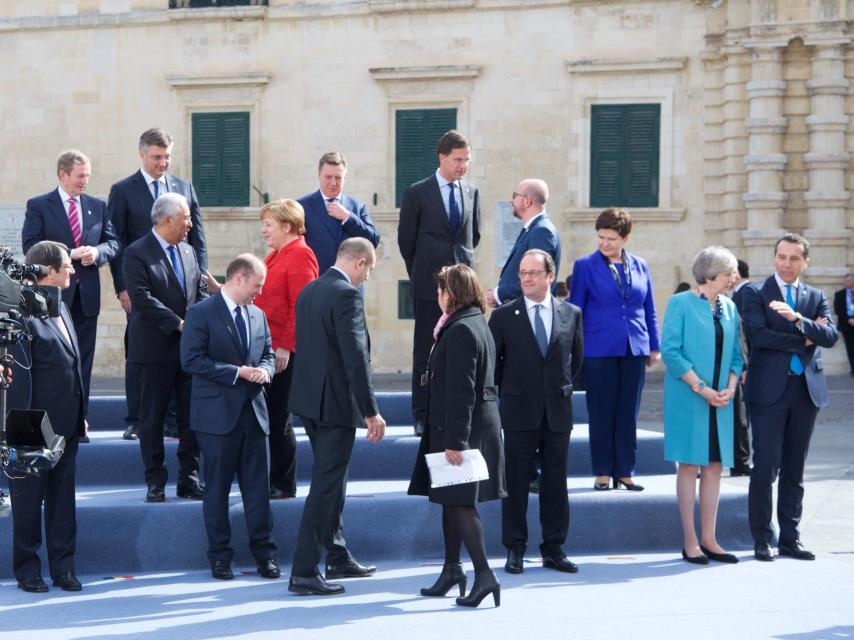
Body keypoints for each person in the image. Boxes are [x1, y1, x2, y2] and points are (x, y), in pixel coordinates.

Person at [287, 238, 387, 596]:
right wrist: (370, 410)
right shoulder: (346, 296)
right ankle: (303, 570)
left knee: (335, 481)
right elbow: (355, 357)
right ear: (360, 263)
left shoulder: (310, 291)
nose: (367, 279)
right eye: (370, 271)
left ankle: (338, 554)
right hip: (335, 407)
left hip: (311, 403)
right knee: (327, 485)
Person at [409, 264, 505, 608]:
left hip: (461, 432)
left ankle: (484, 576)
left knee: (462, 504)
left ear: (454, 293)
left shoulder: (462, 329)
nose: (438, 296)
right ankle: (453, 571)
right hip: (460, 428)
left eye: (441, 290)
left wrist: (456, 442)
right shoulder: (472, 322)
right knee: (451, 503)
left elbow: (463, 391)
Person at [181, 254, 279, 581]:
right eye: (256, 285)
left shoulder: (259, 315)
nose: (259, 292)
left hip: (255, 416)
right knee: (217, 491)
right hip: (216, 419)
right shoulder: (201, 313)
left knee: (258, 492)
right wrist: (237, 372)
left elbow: (267, 354)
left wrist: (264, 371)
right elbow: (191, 360)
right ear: (238, 278)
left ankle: (265, 555)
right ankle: (220, 557)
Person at [743, 233, 838, 562]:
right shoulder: (754, 292)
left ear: (805, 262)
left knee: (795, 468)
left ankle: (790, 538)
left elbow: (831, 336)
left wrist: (798, 320)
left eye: (794, 258)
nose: (787, 264)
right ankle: (761, 538)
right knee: (765, 466)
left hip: (805, 393)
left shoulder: (816, 295)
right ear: (774, 258)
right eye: (782, 257)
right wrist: (806, 336)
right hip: (768, 392)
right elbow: (759, 337)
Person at [108, 128, 207, 441]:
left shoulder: (184, 187)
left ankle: (174, 420)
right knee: (142, 348)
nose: (162, 162)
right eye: (156, 157)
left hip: (182, 283)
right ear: (142, 154)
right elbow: (117, 241)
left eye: (167, 157)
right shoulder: (123, 190)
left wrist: (199, 277)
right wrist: (122, 287)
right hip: (142, 284)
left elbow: (197, 237)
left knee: (180, 354)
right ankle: (139, 417)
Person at [489, 249, 583, 576]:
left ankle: (554, 548)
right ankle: (515, 548)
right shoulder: (503, 316)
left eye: (533, 273)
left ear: (549, 276)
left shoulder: (571, 314)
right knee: (514, 483)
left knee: (556, 483)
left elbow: (575, 361)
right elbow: (493, 366)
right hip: (518, 412)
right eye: (522, 273)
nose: (526, 278)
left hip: (558, 411)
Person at [22, 150, 119, 436]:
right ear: (62, 175)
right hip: (51, 298)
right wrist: (69, 253)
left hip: (86, 297)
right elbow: (31, 246)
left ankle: (81, 421)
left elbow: (113, 243)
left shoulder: (97, 206)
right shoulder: (39, 205)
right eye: (80, 176)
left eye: (88, 175)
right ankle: (52, 423)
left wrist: (97, 252)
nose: (84, 181)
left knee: (82, 362)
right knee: (52, 363)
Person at [661, 246, 744, 565]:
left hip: (720, 400)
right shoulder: (680, 303)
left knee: (713, 467)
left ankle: (710, 539)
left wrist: (730, 388)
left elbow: (737, 354)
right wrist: (703, 388)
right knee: (690, 465)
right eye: (729, 273)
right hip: (689, 397)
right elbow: (671, 352)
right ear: (710, 275)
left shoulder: (730, 308)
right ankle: (690, 540)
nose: (733, 279)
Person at [230, 199, 318, 499]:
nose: (264, 230)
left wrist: (286, 347)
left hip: (283, 354)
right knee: (268, 417)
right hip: (267, 351)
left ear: (287, 225)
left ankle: (282, 482)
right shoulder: (276, 255)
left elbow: (301, 307)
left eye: (268, 225)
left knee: (279, 419)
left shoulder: (301, 256)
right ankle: (270, 478)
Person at [9, 241, 85, 592]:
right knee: (27, 502)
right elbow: (19, 378)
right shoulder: (18, 313)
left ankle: (64, 568)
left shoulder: (64, 308)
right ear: (48, 271)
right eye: (67, 265)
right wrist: (22, 429)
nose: (72, 270)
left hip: (66, 426)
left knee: (62, 501)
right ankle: (27, 570)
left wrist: (79, 414)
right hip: (30, 425)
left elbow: (72, 367)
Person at [568, 208, 660, 491]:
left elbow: (649, 309)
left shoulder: (641, 266)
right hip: (598, 349)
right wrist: (574, 349)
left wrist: (653, 346)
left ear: (626, 237)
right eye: (601, 237)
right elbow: (575, 311)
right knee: (602, 412)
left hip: (634, 347)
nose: (604, 243)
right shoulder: (585, 266)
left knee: (628, 413)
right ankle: (603, 473)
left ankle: (626, 471)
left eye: (611, 238)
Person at [122, 192, 206, 503]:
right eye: (185, 218)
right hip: (153, 350)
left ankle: (189, 479)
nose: (190, 224)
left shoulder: (188, 252)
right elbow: (142, 299)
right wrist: (179, 323)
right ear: (167, 219)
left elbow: (196, 294)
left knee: (190, 417)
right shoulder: (136, 253)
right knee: (152, 419)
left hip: (189, 352)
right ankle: (155, 481)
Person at [397, 130, 481, 437]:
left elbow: (475, 236)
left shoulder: (471, 192)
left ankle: (460, 413)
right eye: (458, 160)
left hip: (464, 290)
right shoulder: (417, 193)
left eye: (467, 160)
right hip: (429, 288)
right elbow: (407, 242)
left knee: (463, 351)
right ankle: (422, 414)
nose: (463, 166)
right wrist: (423, 274)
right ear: (442, 157)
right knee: (426, 352)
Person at [297, 152, 380, 275]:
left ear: (344, 178)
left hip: (351, 283)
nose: (333, 183)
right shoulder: (301, 207)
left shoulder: (358, 207)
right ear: (319, 175)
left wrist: (348, 218)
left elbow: (373, 241)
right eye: (328, 177)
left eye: (338, 177)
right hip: (316, 282)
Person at [486, 179, 560, 307]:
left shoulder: (542, 232)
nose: (511, 201)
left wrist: (498, 294)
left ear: (527, 201)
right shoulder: (532, 229)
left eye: (515, 196)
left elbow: (536, 279)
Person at [730, 259, 752, 476]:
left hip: (742, 365)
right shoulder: (738, 295)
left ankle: (741, 461)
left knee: (741, 416)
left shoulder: (744, 295)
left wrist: (746, 365)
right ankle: (739, 461)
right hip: (741, 364)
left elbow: (745, 334)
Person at [833, 273, 854, 376]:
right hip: (846, 325)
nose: (845, 283)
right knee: (850, 348)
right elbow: (838, 310)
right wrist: (849, 320)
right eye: (844, 281)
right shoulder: (839, 294)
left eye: (848, 281)